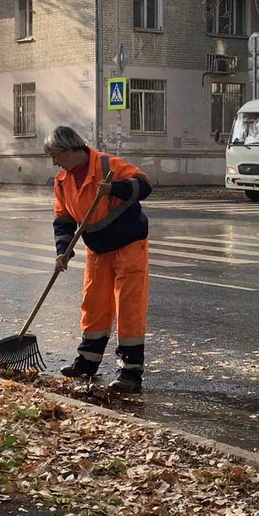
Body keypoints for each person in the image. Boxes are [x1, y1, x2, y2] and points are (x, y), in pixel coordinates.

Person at [45, 126, 153, 394]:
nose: (54, 162)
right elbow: (63, 220)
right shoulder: (62, 181)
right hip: (98, 247)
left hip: (128, 243)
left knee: (129, 306)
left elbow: (144, 186)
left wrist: (113, 188)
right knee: (93, 303)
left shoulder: (108, 165)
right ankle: (87, 361)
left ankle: (130, 371)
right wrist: (63, 251)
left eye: (56, 155)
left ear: (72, 150)